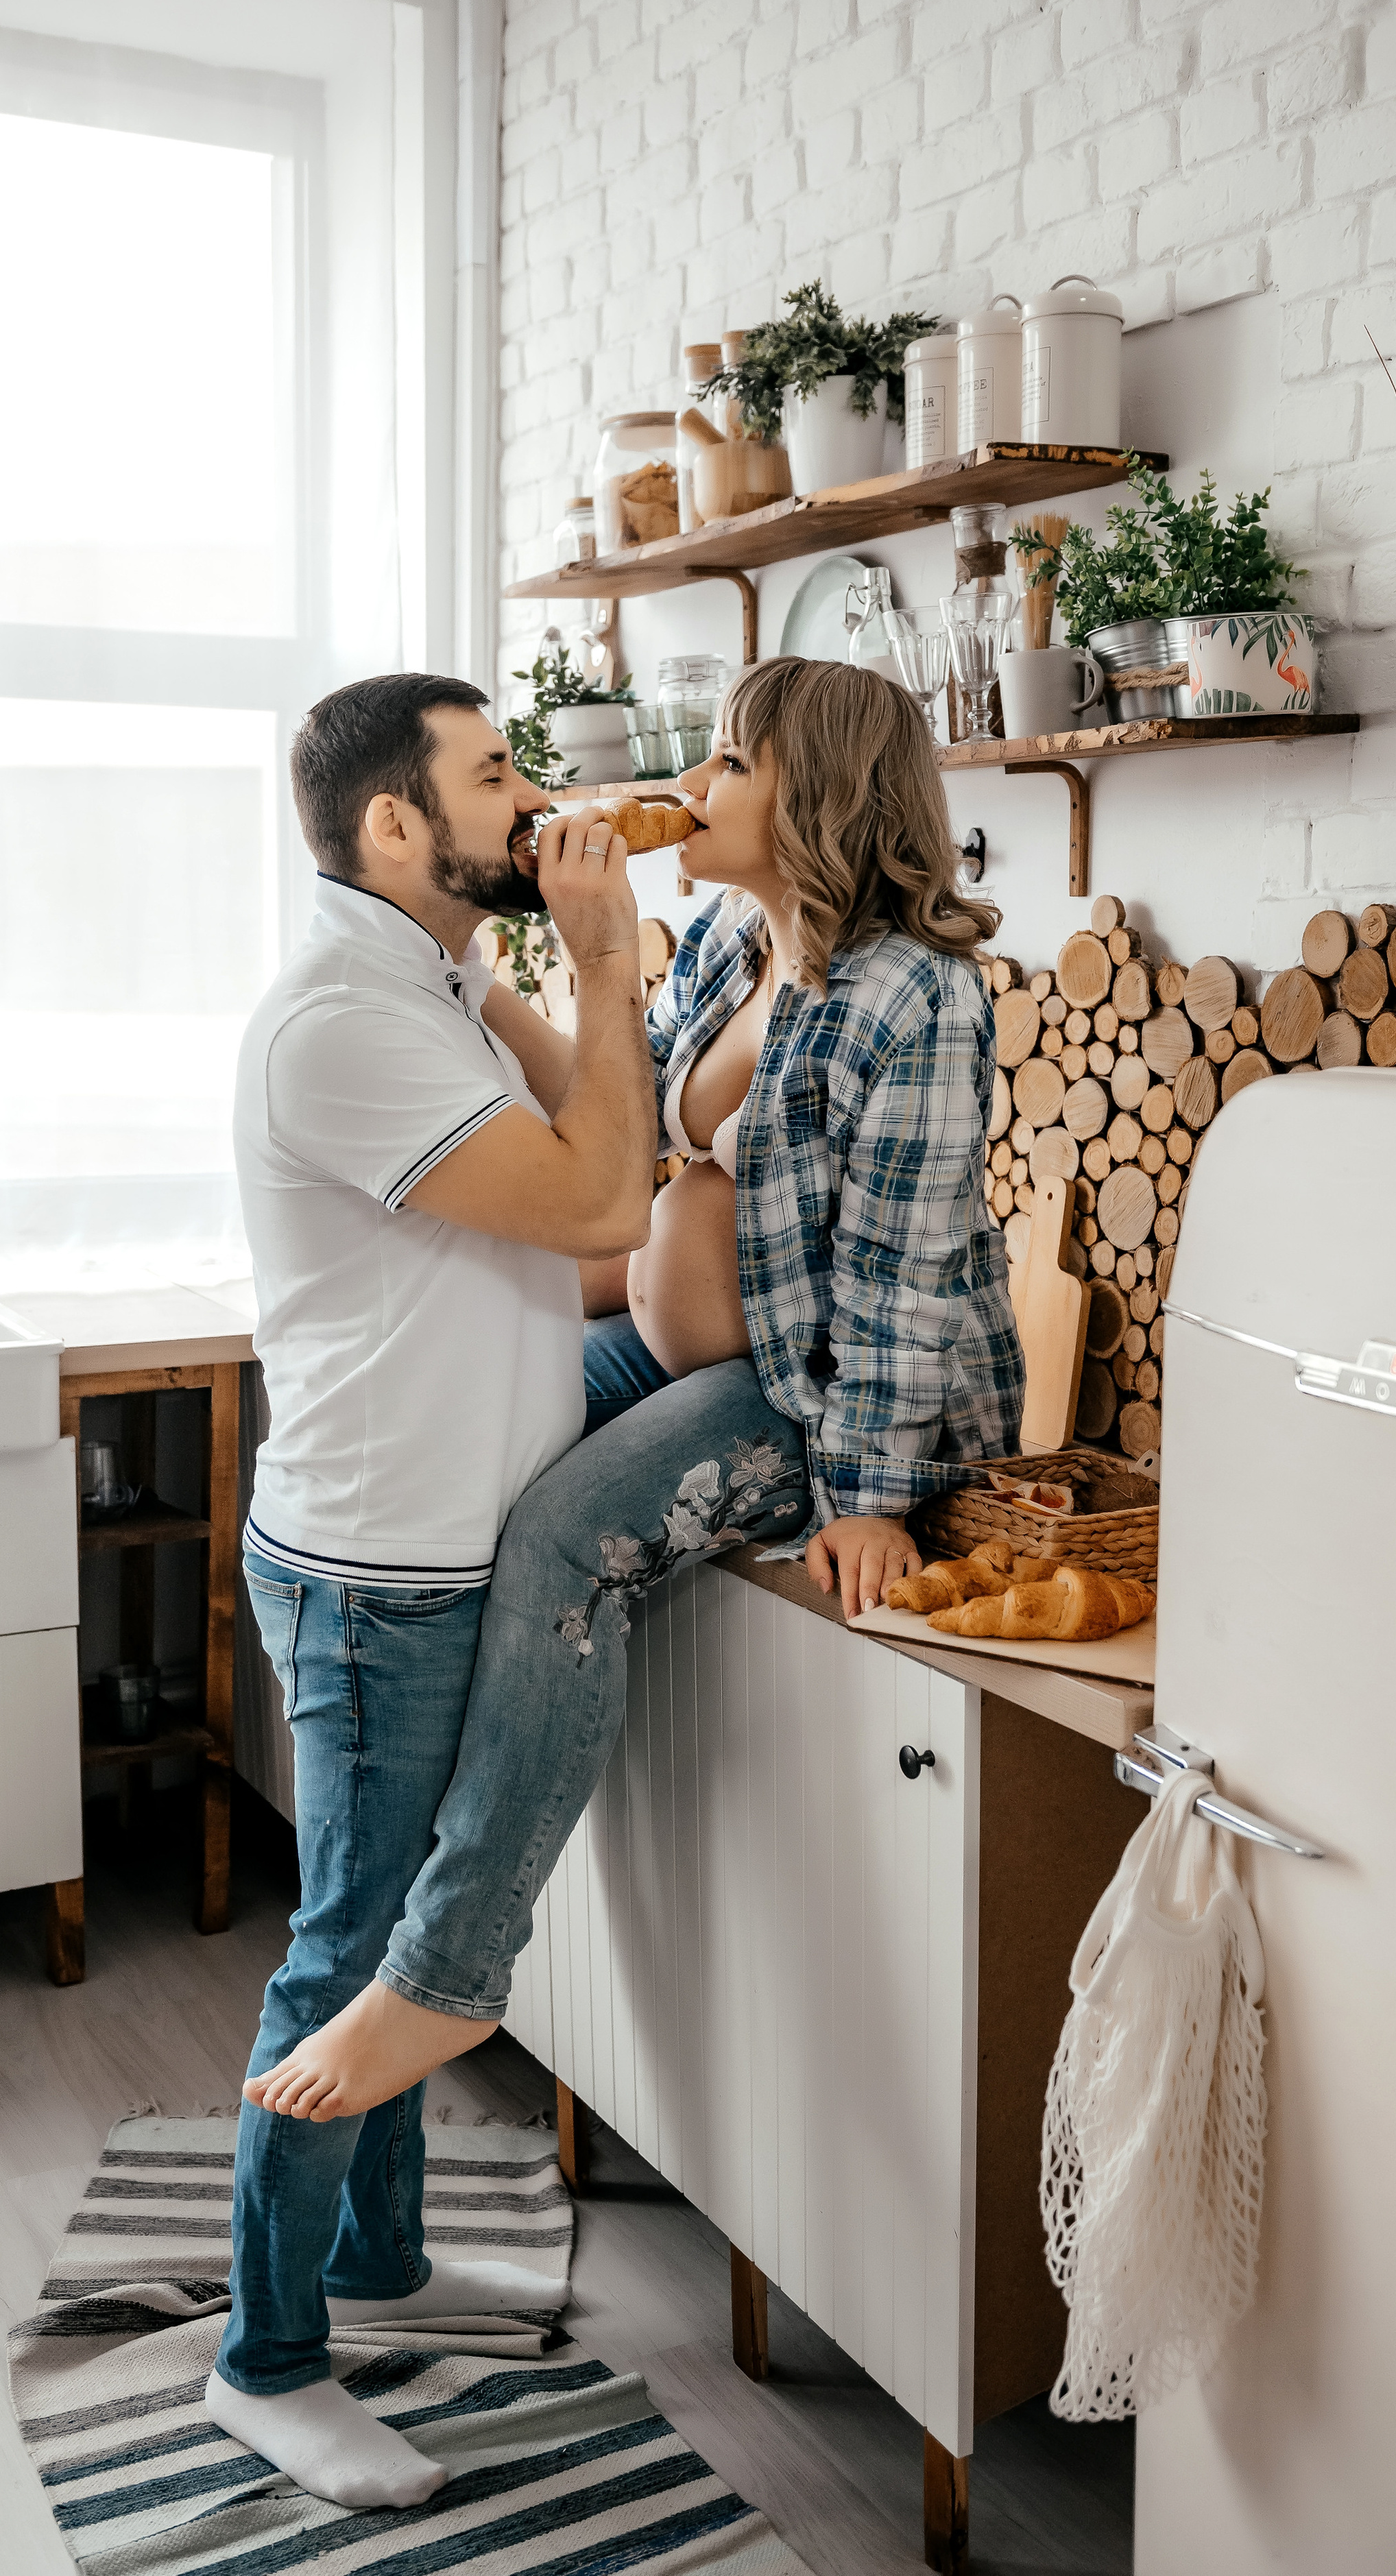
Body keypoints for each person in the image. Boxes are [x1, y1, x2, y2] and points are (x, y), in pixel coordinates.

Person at [243, 655, 1025, 2132]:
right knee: (515, 1452)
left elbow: (904, 1273)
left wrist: (868, 1495)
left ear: (820, 797)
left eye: (732, 762)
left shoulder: (913, 995)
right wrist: (514, 970)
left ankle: (451, 1968)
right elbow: (618, 1117)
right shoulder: (732, 938)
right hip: (694, 1352)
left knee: (562, 1535)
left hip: (818, 1395)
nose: (693, 785)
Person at [208, 671, 662, 2509]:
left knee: (396, 1934)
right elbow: (607, 1203)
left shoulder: (437, 982)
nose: (532, 795)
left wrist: (574, 957)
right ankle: (265, 2362)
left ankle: (377, 2264)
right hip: (376, 1575)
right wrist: (608, 964)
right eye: (494, 773)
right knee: (352, 1958)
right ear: (395, 824)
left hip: (425, 1547)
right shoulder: (342, 1023)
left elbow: (614, 1155)